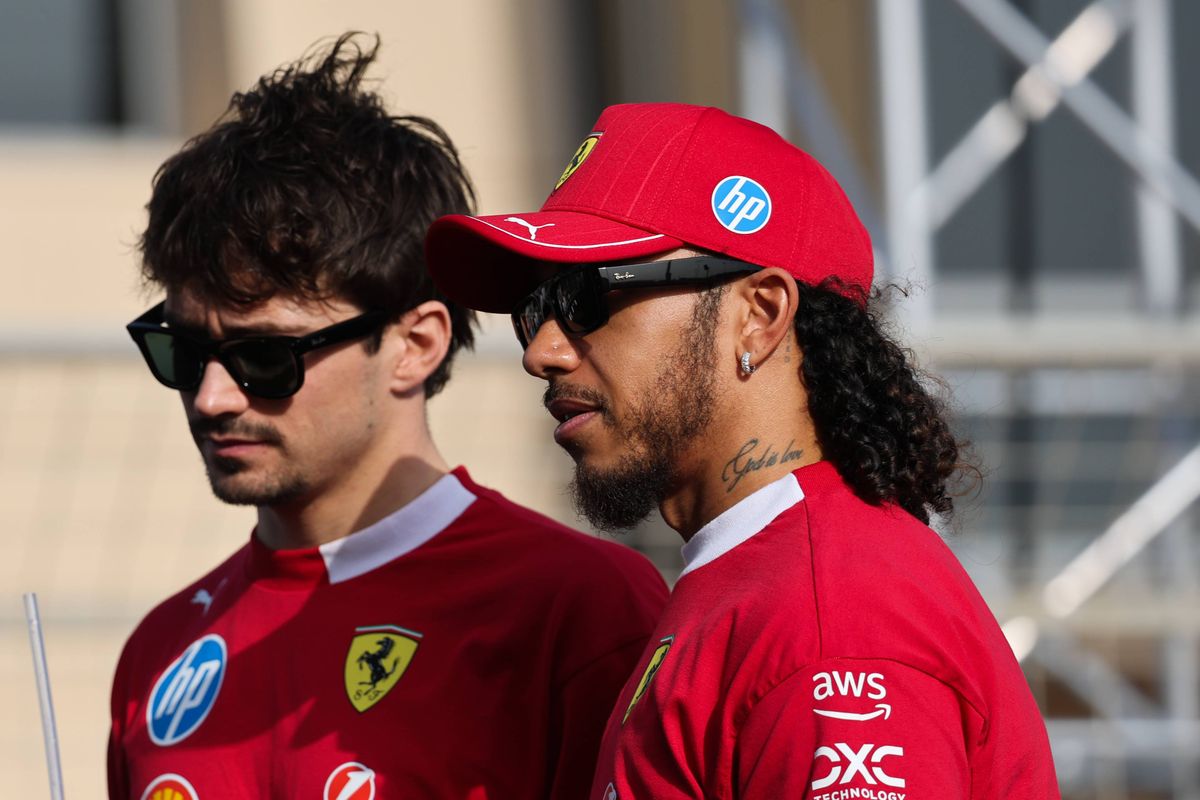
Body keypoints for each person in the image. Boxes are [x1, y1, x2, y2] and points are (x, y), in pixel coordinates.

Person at [424, 102, 1060, 799]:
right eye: (534, 312)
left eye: (584, 297)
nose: (542, 352)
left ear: (759, 316)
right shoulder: (764, 580)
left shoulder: (832, 624)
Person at [108, 36, 668, 800]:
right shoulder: (160, 654)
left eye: (264, 357)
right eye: (181, 350)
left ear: (415, 345)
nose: (212, 397)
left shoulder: (578, 609)